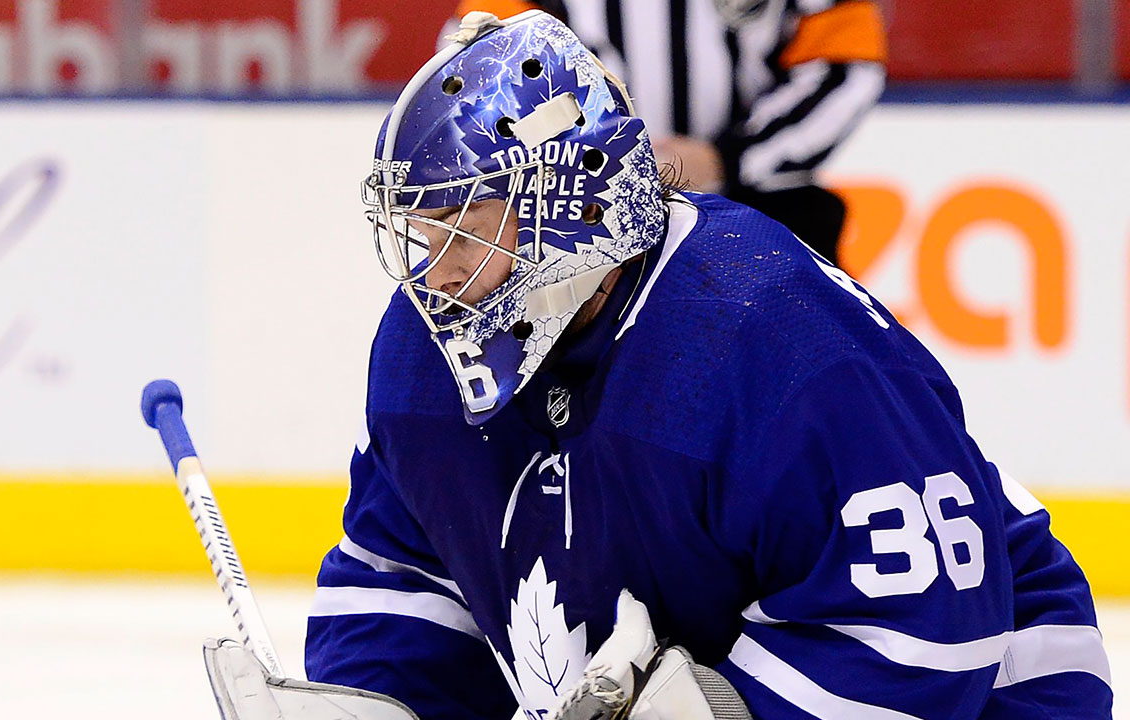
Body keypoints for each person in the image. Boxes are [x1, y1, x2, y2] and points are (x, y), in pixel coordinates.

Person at [304, 10, 1111, 720]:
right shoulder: (427, 353)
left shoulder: (766, 333)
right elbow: (404, 575)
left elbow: (923, 630)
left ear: (573, 202)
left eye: (463, 225)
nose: (436, 272)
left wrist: (719, 711)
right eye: (421, 230)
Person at [443, 0, 887, 265]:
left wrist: (726, 159)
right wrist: (595, 162)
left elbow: (844, 68)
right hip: (579, 226)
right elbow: (476, 67)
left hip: (764, 214)